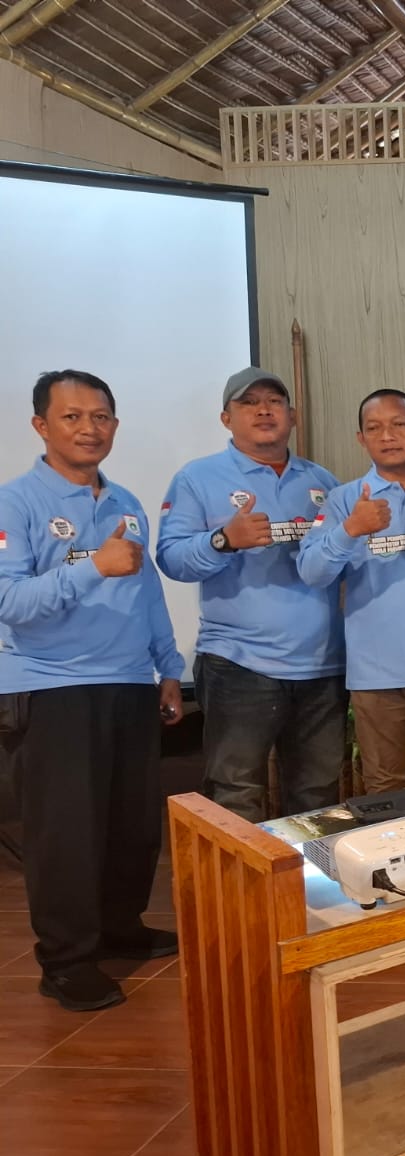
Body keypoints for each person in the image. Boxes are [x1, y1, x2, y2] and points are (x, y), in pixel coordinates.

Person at [0, 370, 184, 1011]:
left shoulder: (126, 502)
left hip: (128, 680)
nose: (89, 428)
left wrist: (167, 666)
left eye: (101, 416)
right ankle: (66, 962)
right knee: (66, 835)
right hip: (53, 687)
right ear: (41, 426)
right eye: (72, 416)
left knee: (131, 826)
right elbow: (10, 602)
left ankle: (119, 929)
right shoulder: (15, 502)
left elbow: (146, 591)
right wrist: (93, 567)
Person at [156, 368, 344, 822]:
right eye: (249, 403)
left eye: (274, 401)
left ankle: (309, 874)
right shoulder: (198, 477)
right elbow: (171, 558)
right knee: (235, 797)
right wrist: (224, 540)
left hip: (322, 667)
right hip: (239, 665)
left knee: (318, 798)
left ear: (292, 416)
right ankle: (240, 875)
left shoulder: (322, 481)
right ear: (226, 418)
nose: (263, 410)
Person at [298, 389, 405, 793]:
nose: (387, 436)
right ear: (361, 439)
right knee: (384, 788)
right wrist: (350, 530)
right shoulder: (344, 500)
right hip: (374, 673)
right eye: (374, 428)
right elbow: (311, 572)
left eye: (398, 425)